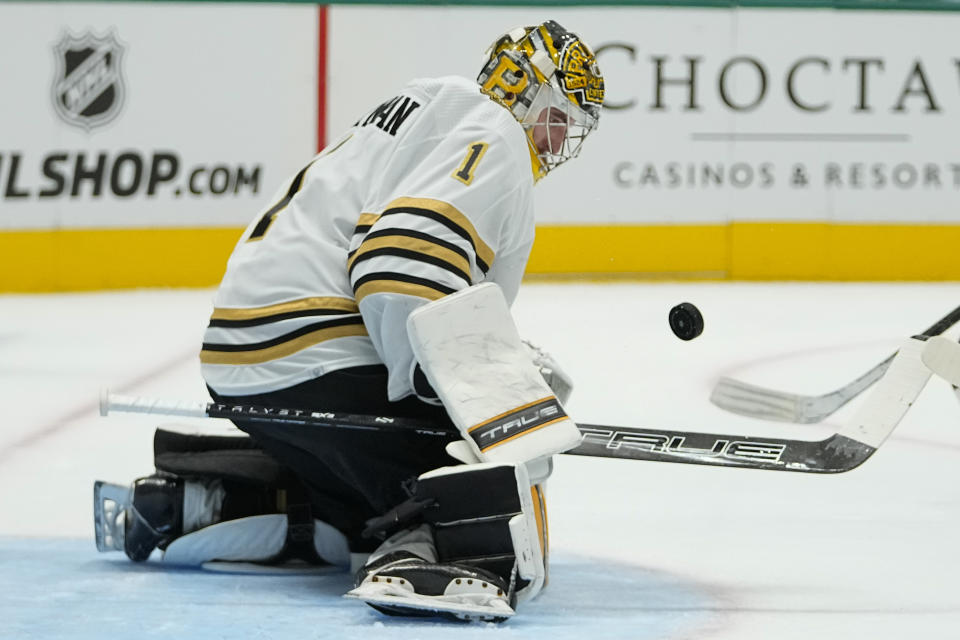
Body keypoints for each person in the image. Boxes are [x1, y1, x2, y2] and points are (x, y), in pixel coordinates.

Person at [93, 19, 604, 622]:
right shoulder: (496, 132)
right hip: (318, 348)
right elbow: (400, 264)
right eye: (559, 117)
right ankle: (428, 552)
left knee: (357, 513)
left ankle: (206, 503)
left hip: (245, 362)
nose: (557, 140)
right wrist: (472, 387)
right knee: (502, 472)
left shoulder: (429, 106)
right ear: (528, 92)